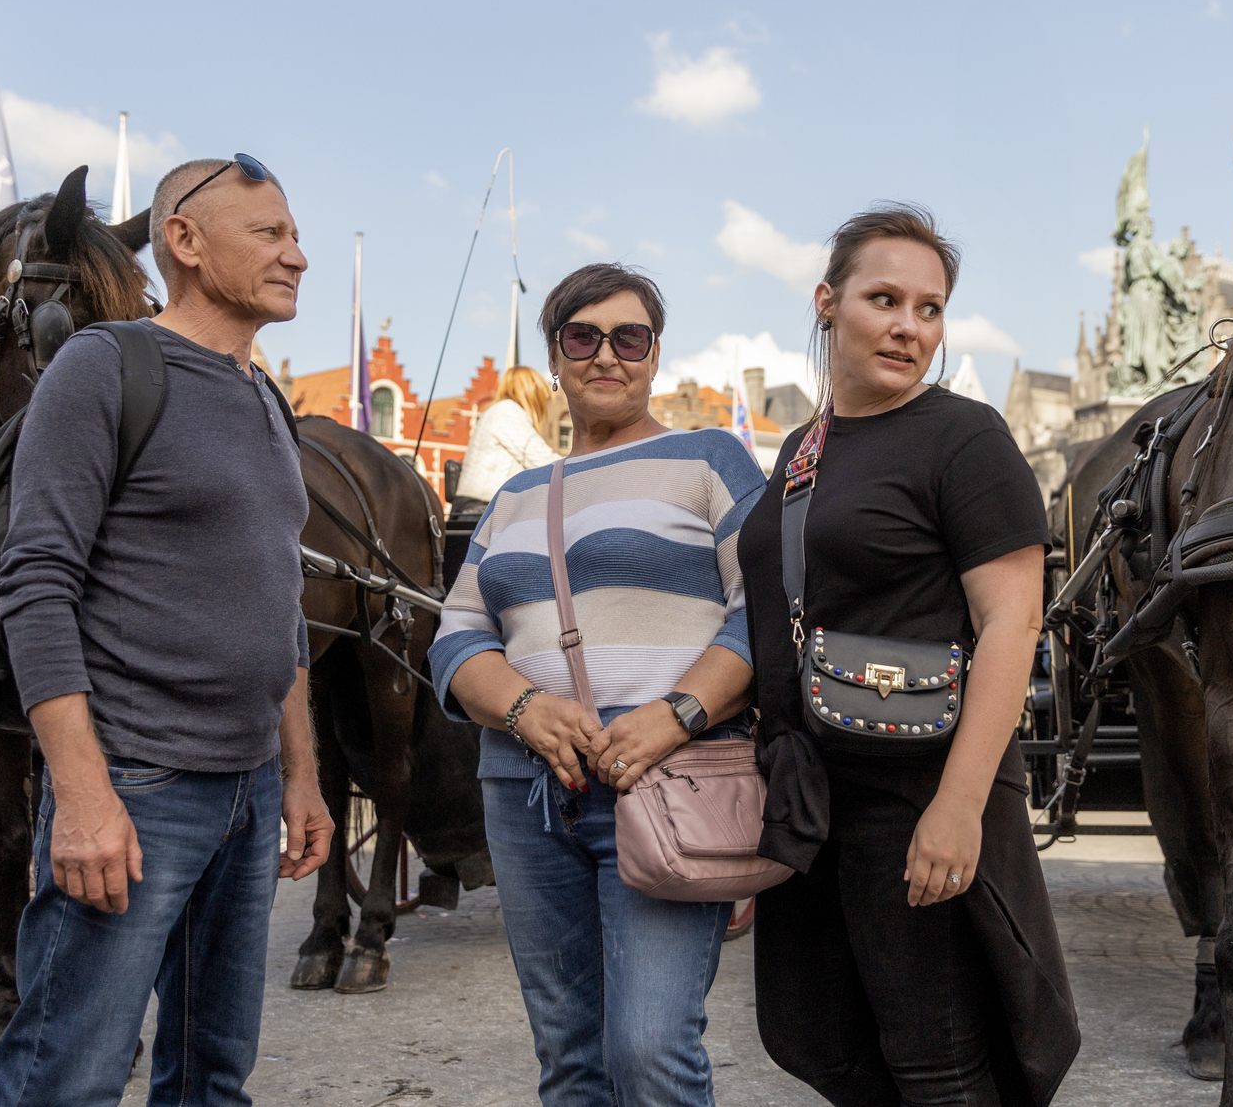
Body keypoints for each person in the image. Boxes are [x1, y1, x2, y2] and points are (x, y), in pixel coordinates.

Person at [0, 156, 334, 1107]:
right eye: (269, 235)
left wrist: (297, 773)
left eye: (295, 234)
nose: (298, 256)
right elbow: (36, 582)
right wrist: (85, 794)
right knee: (67, 1073)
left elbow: (277, 605)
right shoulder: (106, 367)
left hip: (249, 791)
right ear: (184, 239)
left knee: (214, 1074)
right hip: (139, 784)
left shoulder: (267, 396)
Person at [746, 206, 1078, 1106]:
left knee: (936, 1059)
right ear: (827, 302)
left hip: (917, 787)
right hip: (812, 793)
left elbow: (1012, 623)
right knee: (810, 1032)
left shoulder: (964, 437)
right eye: (884, 298)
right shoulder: (801, 450)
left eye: (929, 309)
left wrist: (960, 806)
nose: (909, 326)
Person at [429, 263, 765, 1107]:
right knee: (570, 1057)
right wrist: (523, 707)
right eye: (583, 337)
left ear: (655, 354)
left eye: (630, 337)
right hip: (523, 790)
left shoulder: (709, 459)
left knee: (649, 1048)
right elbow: (456, 634)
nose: (606, 355)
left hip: (665, 783)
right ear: (556, 356)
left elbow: (766, 609)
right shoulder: (514, 495)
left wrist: (676, 714)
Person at [452, 364, 557, 521]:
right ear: (533, 394)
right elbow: (541, 460)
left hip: (474, 509)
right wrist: (582, 466)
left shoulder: (496, 411)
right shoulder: (507, 412)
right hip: (483, 510)